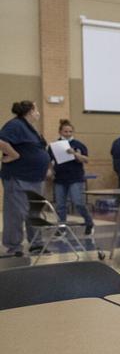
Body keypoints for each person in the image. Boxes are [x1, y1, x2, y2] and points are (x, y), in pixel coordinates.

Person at [0, 101, 49, 256]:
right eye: (36, 109)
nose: (38, 112)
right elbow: (1, 140)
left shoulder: (30, 128)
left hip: (35, 178)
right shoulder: (16, 125)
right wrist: (14, 155)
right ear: (30, 111)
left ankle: (36, 244)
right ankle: (12, 247)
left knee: (34, 212)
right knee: (16, 213)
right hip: (19, 177)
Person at [48, 119, 95, 236]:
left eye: (70, 131)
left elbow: (86, 160)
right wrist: (50, 170)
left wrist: (74, 153)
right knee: (60, 205)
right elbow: (49, 160)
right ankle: (62, 228)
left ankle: (89, 222)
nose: (68, 134)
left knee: (78, 202)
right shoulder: (54, 146)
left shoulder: (79, 145)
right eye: (65, 132)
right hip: (60, 178)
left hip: (75, 177)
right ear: (60, 132)